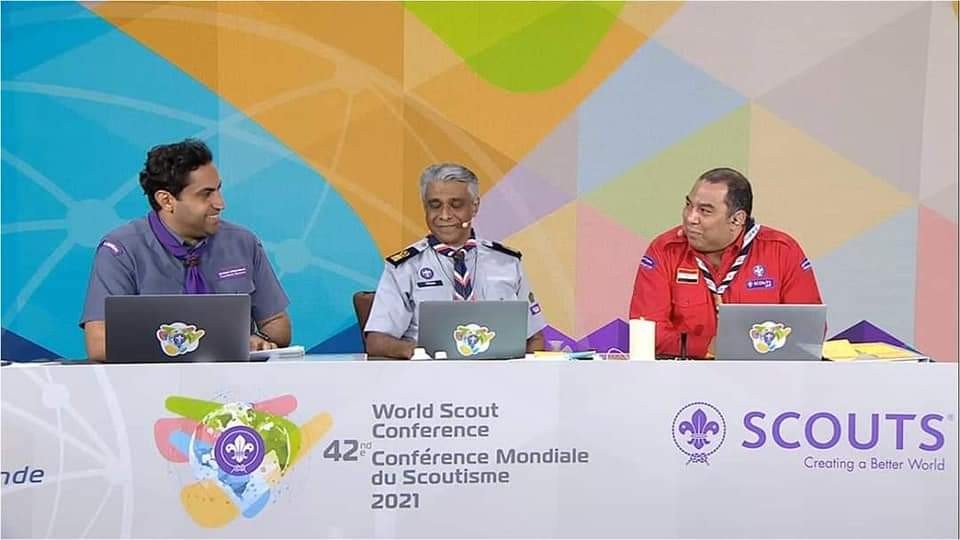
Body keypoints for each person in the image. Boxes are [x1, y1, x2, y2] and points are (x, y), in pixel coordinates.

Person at [80, 139, 291, 361]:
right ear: (166, 200)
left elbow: (277, 324)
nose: (220, 203)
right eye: (206, 194)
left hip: (234, 380)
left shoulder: (243, 242)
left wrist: (259, 339)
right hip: (151, 380)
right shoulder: (120, 250)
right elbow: (99, 342)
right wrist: (202, 343)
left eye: (218, 190)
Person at [629, 167, 822, 359]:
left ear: (737, 219)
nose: (690, 218)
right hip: (685, 373)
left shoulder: (782, 251)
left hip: (764, 373)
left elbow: (808, 333)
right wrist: (708, 347)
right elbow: (647, 333)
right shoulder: (664, 250)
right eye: (688, 205)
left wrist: (749, 346)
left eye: (705, 211)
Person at [365, 163, 546, 359]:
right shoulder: (404, 267)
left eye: (456, 204)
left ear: (474, 206)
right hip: (427, 373)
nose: (444, 215)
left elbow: (534, 338)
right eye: (435, 205)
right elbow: (376, 341)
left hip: (499, 374)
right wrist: (417, 352)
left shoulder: (507, 262)